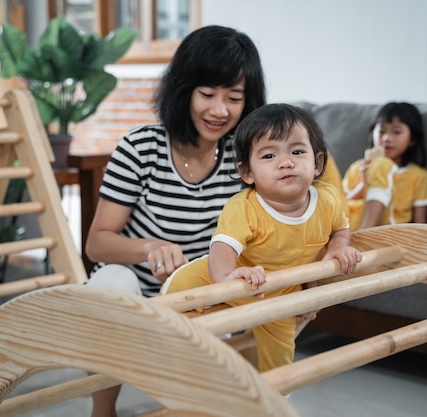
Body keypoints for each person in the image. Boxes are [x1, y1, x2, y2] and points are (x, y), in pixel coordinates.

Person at [84, 26, 346, 417]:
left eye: (234, 97)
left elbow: (291, 226)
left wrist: (305, 284)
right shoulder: (141, 147)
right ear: (183, 89)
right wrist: (150, 247)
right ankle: (103, 410)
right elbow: (98, 242)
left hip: (211, 296)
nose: (219, 110)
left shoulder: (250, 159)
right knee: (109, 281)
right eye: (207, 94)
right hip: (138, 293)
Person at [161, 103, 362, 374]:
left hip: (278, 293)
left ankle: (274, 398)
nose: (286, 161)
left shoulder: (327, 199)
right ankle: (171, 350)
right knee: (178, 297)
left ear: (318, 163)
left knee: (279, 363)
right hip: (229, 275)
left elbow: (340, 228)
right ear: (247, 173)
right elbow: (221, 249)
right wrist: (227, 280)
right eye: (269, 156)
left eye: (297, 151)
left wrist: (338, 248)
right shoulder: (244, 207)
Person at [342, 102, 427, 231]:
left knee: (383, 164)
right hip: (350, 229)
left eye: (396, 132)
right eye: (381, 132)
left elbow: (421, 225)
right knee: (382, 164)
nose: (387, 138)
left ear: (412, 139)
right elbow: (339, 206)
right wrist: (362, 186)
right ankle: (363, 233)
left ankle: (366, 232)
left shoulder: (419, 175)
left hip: (390, 235)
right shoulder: (358, 167)